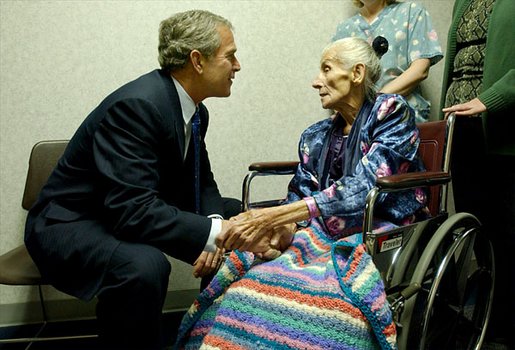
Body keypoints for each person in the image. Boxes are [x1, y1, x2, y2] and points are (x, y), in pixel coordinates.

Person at [174, 37, 429, 350]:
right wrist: (278, 229)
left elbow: (366, 186)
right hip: (319, 234)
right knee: (245, 287)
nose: (315, 82)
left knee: (319, 306)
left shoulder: (391, 113)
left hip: (378, 226)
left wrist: (275, 215)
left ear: (357, 73)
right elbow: (300, 193)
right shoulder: (315, 136)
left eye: (326, 70)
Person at [23, 10, 241, 350]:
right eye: (230, 56)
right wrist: (212, 235)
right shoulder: (138, 106)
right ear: (197, 61)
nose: (237, 65)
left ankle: (209, 336)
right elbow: (133, 211)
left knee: (236, 216)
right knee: (143, 265)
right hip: (68, 221)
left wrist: (216, 227)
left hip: (119, 209)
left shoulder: (195, 110)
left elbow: (202, 182)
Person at [440, 0, 515, 347]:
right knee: (476, 229)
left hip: (503, 127)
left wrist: (493, 98)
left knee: (507, 233)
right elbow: (454, 65)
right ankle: (487, 323)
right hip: (462, 126)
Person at [332, 0, 443, 123]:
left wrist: (372, 103)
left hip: (402, 117)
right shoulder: (345, 30)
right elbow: (337, 83)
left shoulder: (411, 12)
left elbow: (420, 70)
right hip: (357, 122)